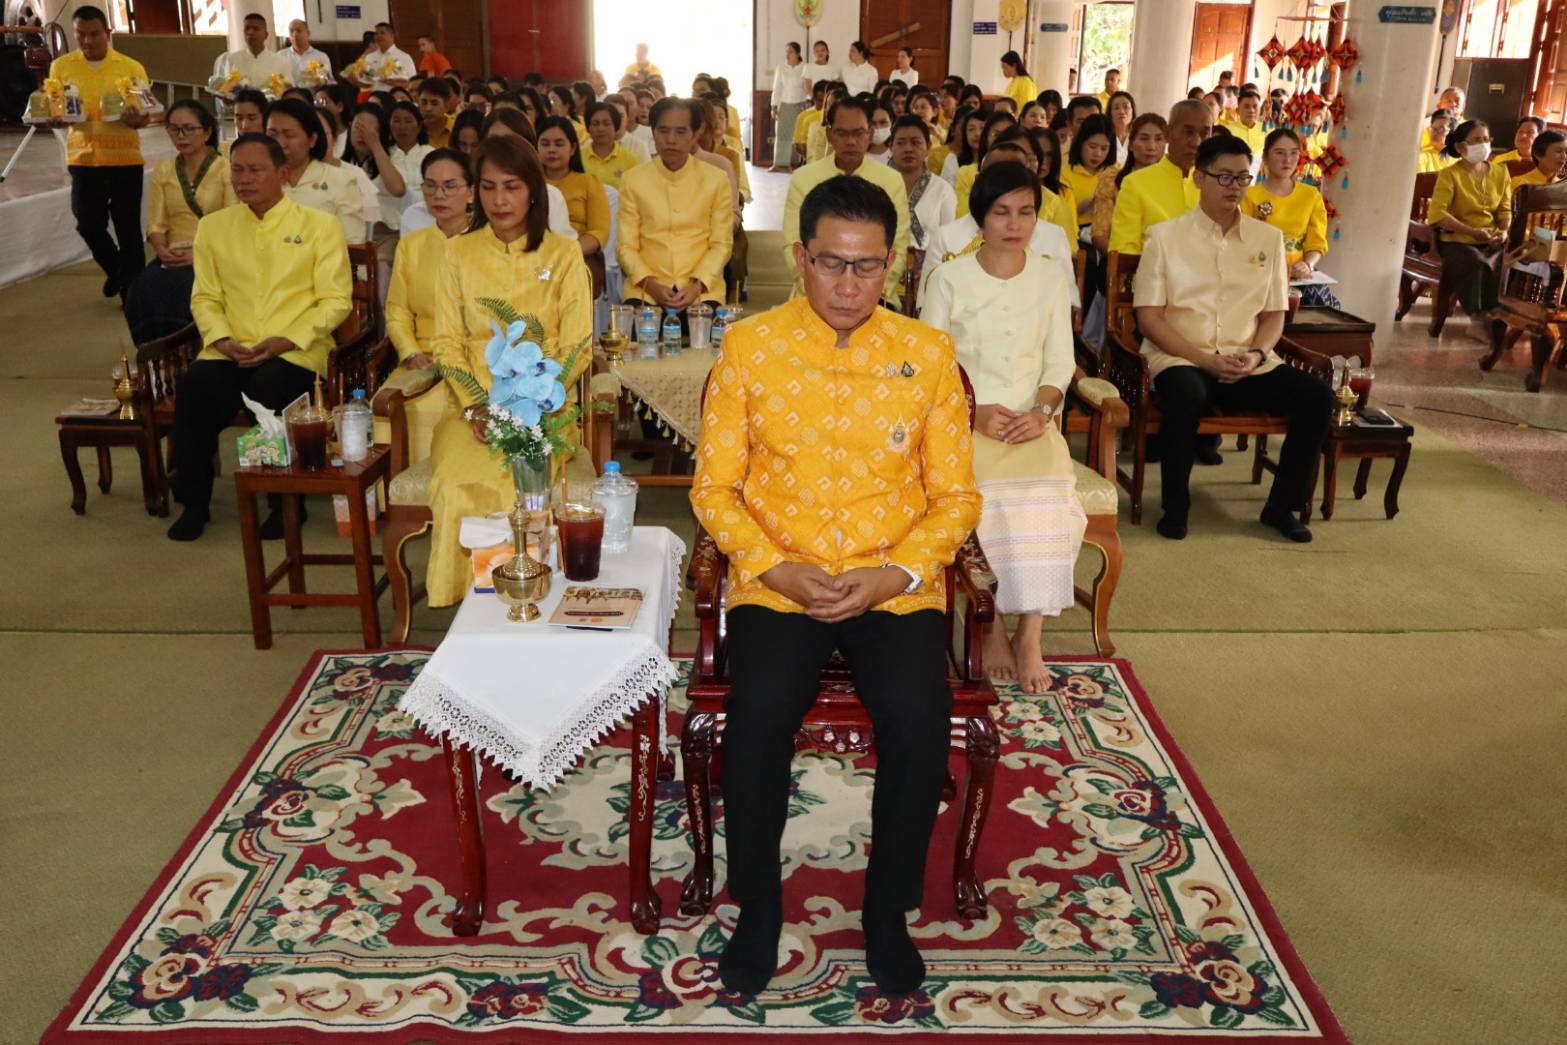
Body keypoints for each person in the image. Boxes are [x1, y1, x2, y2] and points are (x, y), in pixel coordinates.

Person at [691, 174, 980, 998]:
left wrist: (894, 571)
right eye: (830, 264)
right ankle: (758, 908)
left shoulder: (926, 353)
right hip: (780, 576)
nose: (847, 286)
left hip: (890, 580)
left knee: (919, 718)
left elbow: (956, 497)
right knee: (757, 718)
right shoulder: (748, 347)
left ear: (892, 264)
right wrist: (772, 564)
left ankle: (886, 913)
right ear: (799, 258)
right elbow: (713, 490)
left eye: (866, 267)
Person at [920, 160, 1083, 693]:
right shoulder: (948, 278)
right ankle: (988, 626)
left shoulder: (1051, 276)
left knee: (1051, 500)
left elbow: (1061, 360)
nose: (1015, 224)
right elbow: (933, 368)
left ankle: (1030, 632)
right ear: (980, 218)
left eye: (1026, 212)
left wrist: (1042, 414)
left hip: (1033, 424)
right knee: (990, 499)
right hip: (966, 423)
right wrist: (976, 412)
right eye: (1001, 212)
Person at [1133, 134, 1333, 543]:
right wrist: (1204, 360)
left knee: (1318, 397)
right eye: (1223, 177)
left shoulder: (1268, 239)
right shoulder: (1165, 237)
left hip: (1248, 359)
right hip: (1182, 356)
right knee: (1186, 394)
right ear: (1198, 178)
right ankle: (1176, 507)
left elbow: (1275, 313)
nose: (1234, 187)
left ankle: (1281, 507)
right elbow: (1149, 318)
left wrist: (1258, 354)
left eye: (1243, 177)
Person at [426, 136, 593, 605]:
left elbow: (578, 345)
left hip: (545, 408)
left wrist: (537, 403)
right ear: (474, 193)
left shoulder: (562, 254)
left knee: (513, 480)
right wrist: (479, 408)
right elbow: (446, 344)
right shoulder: (457, 253)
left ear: (534, 192)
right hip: (471, 411)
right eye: (488, 187)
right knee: (457, 484)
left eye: (512, 187)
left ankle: (524, 592)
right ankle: (472, 604)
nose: (499, 200)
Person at [166, 134, 351, 542]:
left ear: (282, 175)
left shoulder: (319, 226)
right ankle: (195, 504)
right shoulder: (214, 227)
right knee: (195, 388)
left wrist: (286, 340)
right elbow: (206, 297)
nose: (244, 179)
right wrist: (221, 339)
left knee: (270, 387)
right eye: (237, 169)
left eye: (255, 170)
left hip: (295, 351)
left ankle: (284, 503)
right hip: (229, 349)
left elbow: (336, 301)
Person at [49, 6, 152, 300]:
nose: (86, 41)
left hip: (125, 159)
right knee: (88, 224)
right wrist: (55, 116)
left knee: (128, 228)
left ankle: (133, 293)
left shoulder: (130, 67)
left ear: (107, 33)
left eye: (93, 34)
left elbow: (146, 114)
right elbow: (56, 106)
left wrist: (138, 119)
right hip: (84, 160)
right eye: (80, 34)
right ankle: (120, 272)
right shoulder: (62, 67)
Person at [385, 148, 473, 464]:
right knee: (389, 404)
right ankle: (400, 499)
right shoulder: (412, 245)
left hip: (475, 360)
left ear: (471, 191)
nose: (439, 194)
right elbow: (397, 309)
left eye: (450, 186)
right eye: (430, 185)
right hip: (423, 357)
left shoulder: (489, 242)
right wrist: (410, 352)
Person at [124, 99, 236, 344]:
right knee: (140, 289)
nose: (180, 136)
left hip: (213, 253)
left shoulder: (225, 168)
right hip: (173, 254)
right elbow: (156, 225)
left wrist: (199, 254)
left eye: (188, 128)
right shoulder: (164, 170)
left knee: (188, 286)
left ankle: (195, 349)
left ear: (207, 132)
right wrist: (162, 250)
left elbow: (233, 222)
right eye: (173, 129)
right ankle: (157, 354)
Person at [783, 96, 912, 305]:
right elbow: (793, 243)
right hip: (813, 292)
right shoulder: (804, 178)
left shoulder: (891, 180)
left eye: (858, 133)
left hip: (876, 295)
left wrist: (871, 289)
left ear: (869, 134)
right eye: (842, 133)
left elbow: (898, 244)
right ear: (829, 134)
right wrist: (818, 286)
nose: (851, 141)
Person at [922, 141, 1078, 307]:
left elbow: (1067, 304)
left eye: (1016, 174)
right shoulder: (945, 237)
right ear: (978, 181)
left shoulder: (1053, 237)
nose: (1007, 183)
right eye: (996, 176)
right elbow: (927, 307)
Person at [617, 98, 733, 315]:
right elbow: (626, 247)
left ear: (696, 133)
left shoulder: (716, 179)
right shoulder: (633, 180)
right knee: (633, 336)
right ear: (652, 131)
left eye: (681, 132)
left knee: (707, 336)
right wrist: (651, 286)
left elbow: (721, 245)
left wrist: (696, 286)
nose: (670, 140)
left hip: (702, 290)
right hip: (646, 289)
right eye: (663, 131)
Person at [1242, 128, 1339, 307]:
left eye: (1293, 153)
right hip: (1260, 274)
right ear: (1265, 157)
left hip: (1298, 277)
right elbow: (1244, 242)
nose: (1287, 160)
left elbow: (1316, 243)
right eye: (1279, 153)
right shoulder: (1249, 196)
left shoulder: (1311, 196)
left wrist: (1307, 265)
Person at [1427, 119, 1511, 320]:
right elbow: (1437, 214)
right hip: (1457, 240)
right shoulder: (1450, 174)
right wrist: (1472, 232)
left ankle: (1497, 315)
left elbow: (1504, 209)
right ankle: (1479, 316)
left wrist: (1504, 231)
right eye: (1476, 140)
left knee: (1507, 262)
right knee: (1474, 261)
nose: (1483, 144)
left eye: (1485, 139)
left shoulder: (1500, 172)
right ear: (1460, 146)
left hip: (1491, 238)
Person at [1109, 99, 1211, 257]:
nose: (1196, 142)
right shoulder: (1135, 184)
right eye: (1188, 132)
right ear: (1168, 134)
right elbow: (1123, 253)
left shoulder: (1216, 184)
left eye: (1204, 134)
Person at [268, 97, 370, 243]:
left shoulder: (341, 180)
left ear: (312, 140)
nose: (280, 143)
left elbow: (352, 245)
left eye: (289, 135)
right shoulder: (258, 180)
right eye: (272, 135)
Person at [537, 114, 609, 261]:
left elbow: (599, 231)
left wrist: (567, 255)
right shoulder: (528, 184)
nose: (551, 150)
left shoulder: (588, 183)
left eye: (559, 144)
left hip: (576, 257)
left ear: (573, 148)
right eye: (545, 144)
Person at [1092, 112, 1166, 255]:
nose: (1151, 146)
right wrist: (1122, 262)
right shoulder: (1113, 178)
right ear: (1131, 145)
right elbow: (1099, 234)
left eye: (1159, 139)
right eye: (1144, 139)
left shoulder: (1176, 180)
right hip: (1119, 259)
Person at [889, 115, 955, 253]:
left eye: (915, 142)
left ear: (928, 146)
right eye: (901, 143)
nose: (908, 149)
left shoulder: (943, 190)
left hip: (928, 267)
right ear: (891, 146)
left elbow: (949, 240)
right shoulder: (876, 185)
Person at [952, 109, 1017, 215]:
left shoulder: (1025, 174)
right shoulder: (966, 173)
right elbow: (963, 214)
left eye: (1009, 135)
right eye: (996, 135)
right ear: (986, 138)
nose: (1003, 140)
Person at [1064, 113, 1117, 229]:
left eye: (1104, 148)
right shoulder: (1064, 174)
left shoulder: (1116, 172)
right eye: (1092, 147)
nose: (1098, 154)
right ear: (1080, 143)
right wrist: (1083, 207)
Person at [212, 12, 290, 87]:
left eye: (256, 29)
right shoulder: (232, 59)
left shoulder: (280, 62)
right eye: (247, 29)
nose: (250, 32)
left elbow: (288, 90)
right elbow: (227, 89)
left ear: (265, 35)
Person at [582, 101, 641, 188]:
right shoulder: (577, 159)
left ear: (616, 127)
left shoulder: (631, 161)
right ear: (588, 128)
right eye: (595, 123)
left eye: (606, 123)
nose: (601, 128)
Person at [771, 42, 810, 172]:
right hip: (785, 105)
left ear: (798, 54)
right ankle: (779, 164)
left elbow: (806, 88)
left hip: (800, 105)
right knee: (782, 134)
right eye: (786, 51)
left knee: (797, 135)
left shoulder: (805, 67)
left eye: (790, 52)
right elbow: (777, 87)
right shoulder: (781, 67)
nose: (787, 54)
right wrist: (774, 106)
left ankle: (793, 164)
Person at [354, 21, 416, 90]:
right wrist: (354, 80)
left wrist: (390, 81)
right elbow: (367, 83)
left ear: (392, 35)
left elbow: (412, 83)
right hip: (375, 98)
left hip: (396, 99)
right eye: (376, 34)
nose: (378, 36)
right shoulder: (370, 57)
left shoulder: (404, 57)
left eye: (382, 33)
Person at [1221, 87, 1266, 163]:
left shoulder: (1268, 130)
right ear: (1237, 110)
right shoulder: (1227, 131)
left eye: (1255, 107)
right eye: (1247, 107)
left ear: (1260, 110)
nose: (1251, 110)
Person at [284, 19, 332, 84]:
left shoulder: (321, 56)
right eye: (291, 31)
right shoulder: (280, 56)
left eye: (299, 31)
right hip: (289, 93)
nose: (295, 34)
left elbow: (329, 81)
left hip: (313, 93)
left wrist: (322, 81)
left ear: (308, 33)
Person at [417, 77, 455, 148]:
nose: (428, 108)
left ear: (446, 105)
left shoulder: (456, 129)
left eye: (434, 103)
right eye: (424, 103)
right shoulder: (414, 130)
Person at [1418, 109, 1457, 173]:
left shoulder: (1460, 159)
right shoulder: (1423, 157)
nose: (1434, 132)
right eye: (1433, 128)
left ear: (1451, 133)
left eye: (1441, 128)